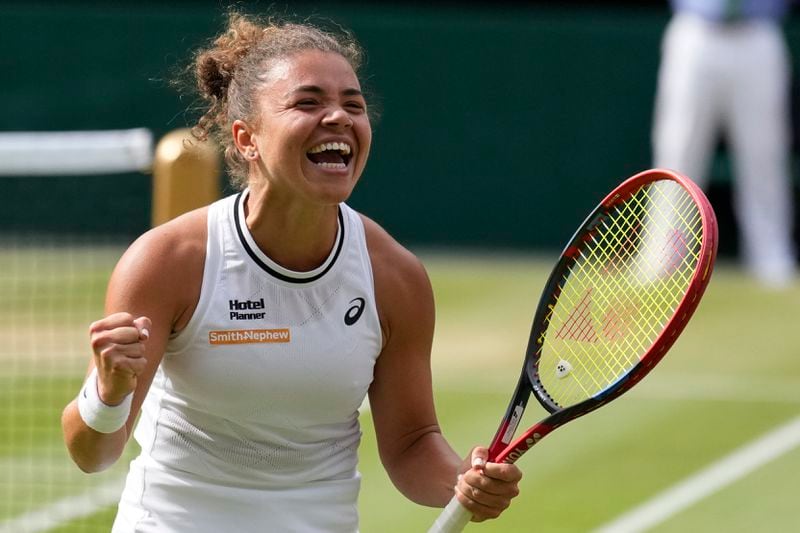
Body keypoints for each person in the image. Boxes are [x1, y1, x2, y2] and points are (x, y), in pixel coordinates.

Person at [60, 10, 522, 532]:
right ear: (246, 138)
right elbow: (91, 454)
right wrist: (108, 393)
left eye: (354, 105)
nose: (339, 117)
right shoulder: (169, 262)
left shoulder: (394, 278)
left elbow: (413, 444)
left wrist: (461, 482)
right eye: (308, 102)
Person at [652, 0, 797, 287]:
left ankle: (770, 257)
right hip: (695, 30)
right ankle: (665, 257)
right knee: (678, 153)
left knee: (764, 154)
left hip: (759, 31)